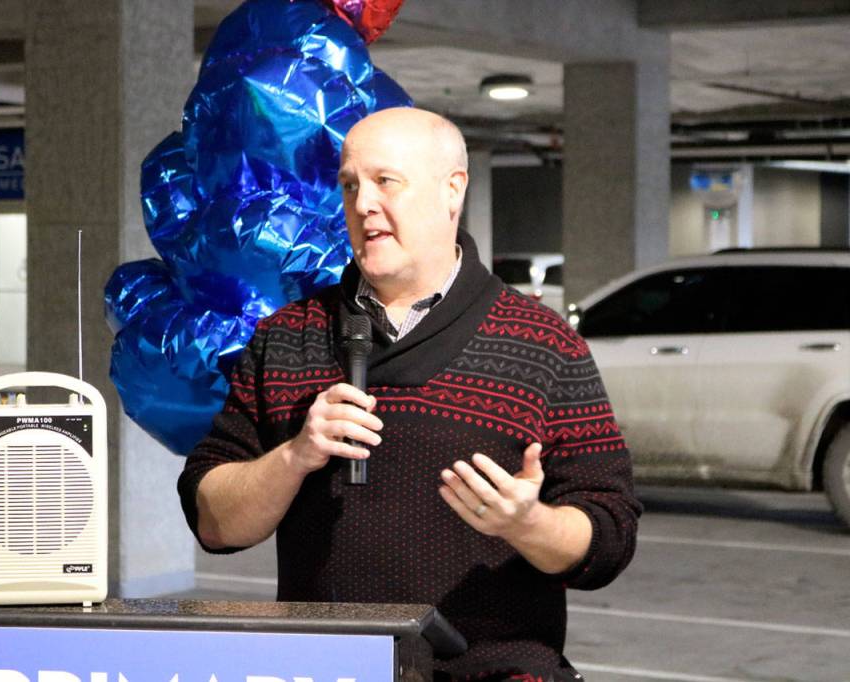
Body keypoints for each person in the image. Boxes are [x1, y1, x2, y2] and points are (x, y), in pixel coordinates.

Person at [178, 107, 641, 681]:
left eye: (385, 181)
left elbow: (611, 537)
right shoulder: (285, 338)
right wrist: (295, 456)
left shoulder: (543, 343)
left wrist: (528, 524)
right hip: (326, 668)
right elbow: (213, 521)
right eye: (349, 185)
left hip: (495, 670)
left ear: (453, 190)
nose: (362, 203)